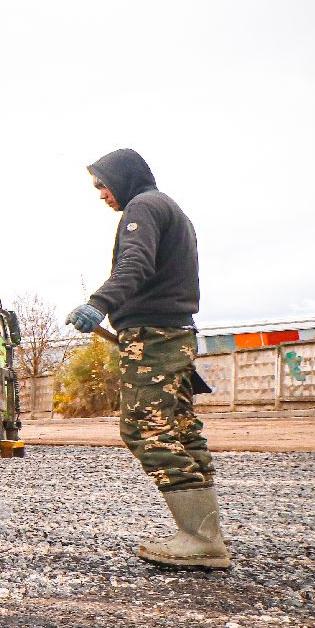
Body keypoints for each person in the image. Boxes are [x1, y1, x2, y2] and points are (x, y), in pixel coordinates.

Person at [66, 149, 231, 569]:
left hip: (154, 337)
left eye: (103, 184)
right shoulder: (168, 209)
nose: (101, 194)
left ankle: (200, 539)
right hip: (172, 334)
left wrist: (97, 304)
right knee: (180, 428)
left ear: (122, 178)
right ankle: (205, 533)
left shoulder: (143, 207)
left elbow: (134, 263)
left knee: (145, 426)